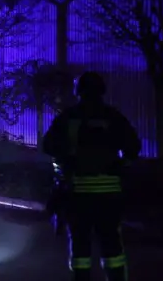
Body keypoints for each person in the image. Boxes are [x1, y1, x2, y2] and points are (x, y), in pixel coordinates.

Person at [41, 72, 141, 281]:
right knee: (112, 242)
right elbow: (133, 146)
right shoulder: (113, 116)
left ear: (78, 91)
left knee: (80, 245)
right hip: (110, 193)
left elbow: (48, 145)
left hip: (78, 192)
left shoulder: (69, 117)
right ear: (102, 91)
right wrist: (119, 166)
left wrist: (67, 160)